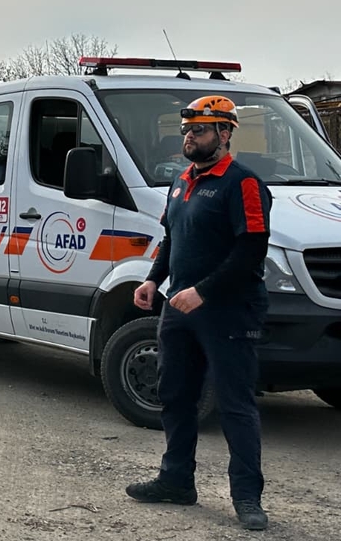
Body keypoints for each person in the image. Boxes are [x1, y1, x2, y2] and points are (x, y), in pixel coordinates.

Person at [128, 95, 273, 531]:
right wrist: (153, 279)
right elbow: (172, 239)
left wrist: (203, 292)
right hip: (179, 308)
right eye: (187, 130)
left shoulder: (243, 184)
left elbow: (252, 250)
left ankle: (246, 497)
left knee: (234, 404)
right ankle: (176, 481)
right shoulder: (181, 181)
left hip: (229, 311)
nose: (189, 137)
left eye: (200, 130)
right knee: (175, 394)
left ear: (225, 134)